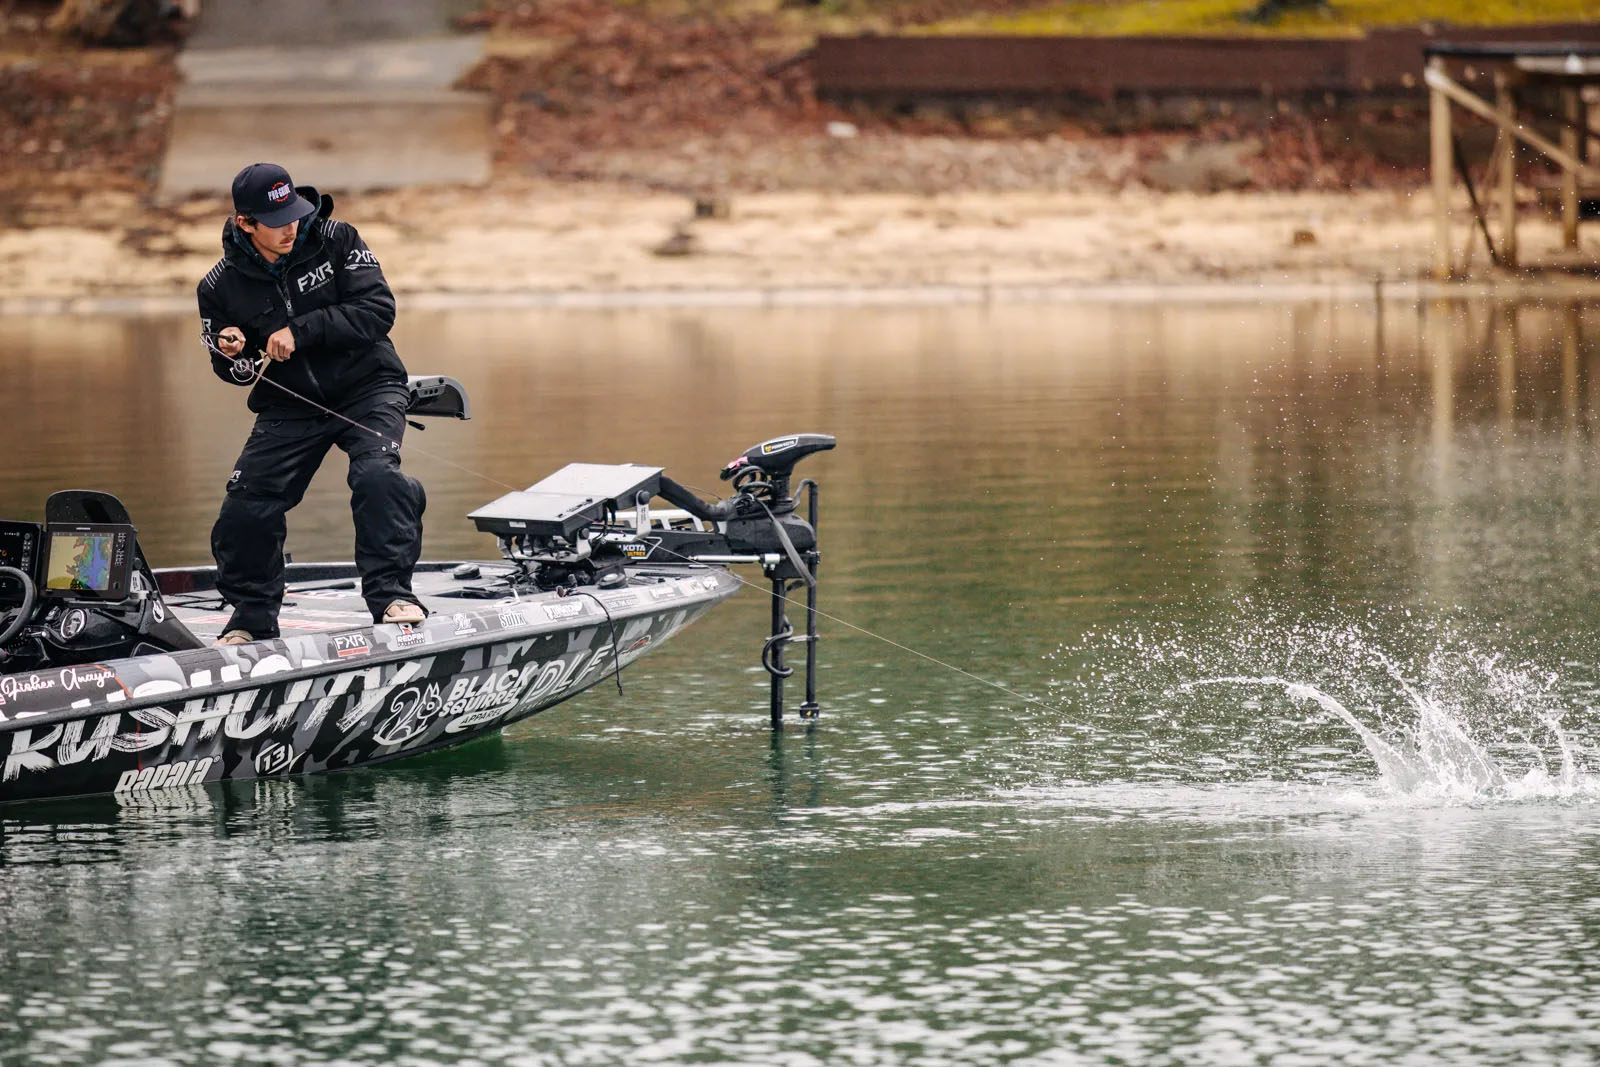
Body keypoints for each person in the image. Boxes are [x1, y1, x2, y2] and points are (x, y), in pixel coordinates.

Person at [198, 162, 426, 646]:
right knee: (246, 507)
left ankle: (390, 595)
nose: (290, 227)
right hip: (290, 404)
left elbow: (377, 311)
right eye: (276, 220)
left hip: (369, 386)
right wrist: (232, 350)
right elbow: (233, 374)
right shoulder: (217, 287)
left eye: (294, 213)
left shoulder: (338, 238)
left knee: (377, 476)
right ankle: (252, 616)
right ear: (246, 223)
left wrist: (300, 332)